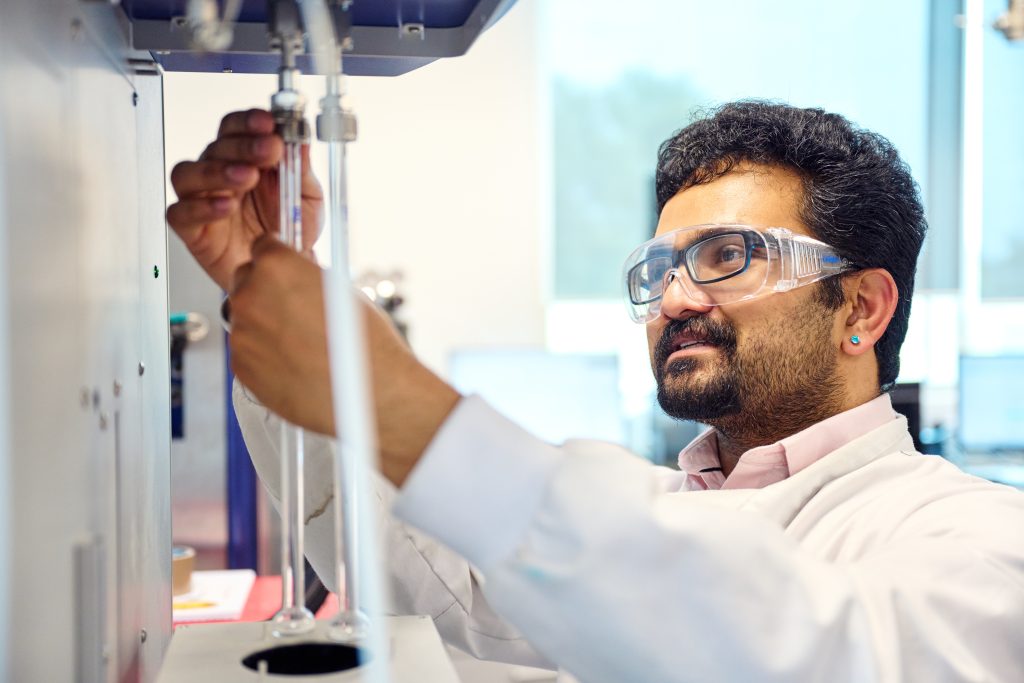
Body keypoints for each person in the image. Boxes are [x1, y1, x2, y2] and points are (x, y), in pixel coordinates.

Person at [168, 101, 1024, 682]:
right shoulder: (655, 507)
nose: (678, 298)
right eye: (662, 268)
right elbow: (416, 566)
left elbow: (801, 647)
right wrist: (268, 281)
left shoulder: (981, 541)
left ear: (863, 306)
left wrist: (400, 401)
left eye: (728, 257)